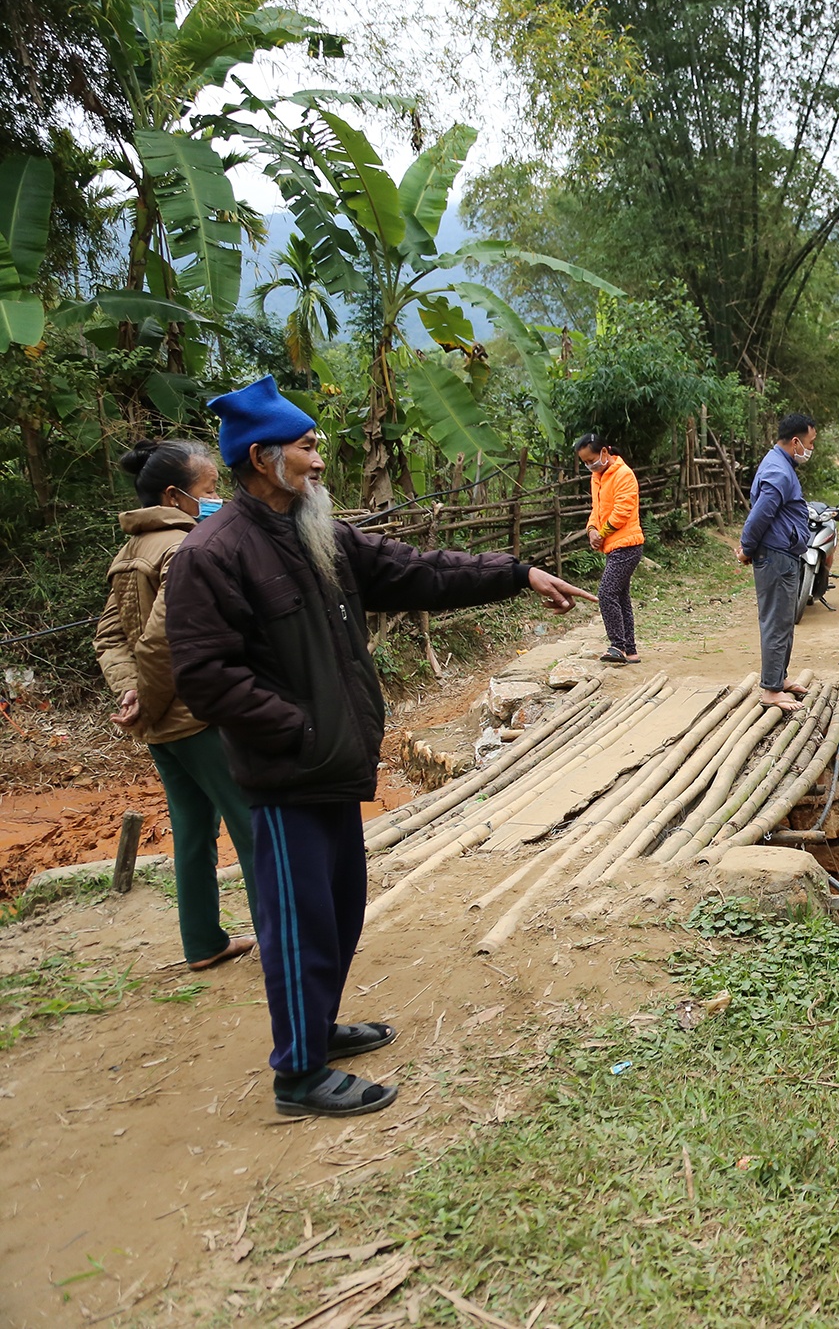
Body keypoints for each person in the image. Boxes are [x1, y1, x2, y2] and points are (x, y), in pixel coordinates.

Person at [165, 376, 595, 1119]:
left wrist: (515, 572)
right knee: (297, 921)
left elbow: (416, 569)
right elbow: (207, 678)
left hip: (333, 764)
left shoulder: (317, 535)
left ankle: (317, 1029)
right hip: (286, 772)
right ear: (264, 459)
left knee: (336, 907)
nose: (321, 459)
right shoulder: (214, 553)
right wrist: (297, 730)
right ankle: (297, 1076)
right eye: (307, 447)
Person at [95, 439, 259, 972]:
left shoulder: (128, 553)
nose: (217, 500)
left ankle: (203, 943)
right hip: (198, 715)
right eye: (210, 490)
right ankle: (283, 941)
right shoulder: (183, 548)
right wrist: (148, 697)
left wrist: (132, 693)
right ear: (174, 494)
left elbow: (109, 637)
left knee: (193, 832)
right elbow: (165, 640)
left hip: (162, 724)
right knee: (254, 825)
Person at [737, 415, 818, 714]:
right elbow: (760, 515)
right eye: (810, 443)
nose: (811, 449)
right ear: (795, 441)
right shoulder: (778, 471)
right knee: (776, 620)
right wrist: (747, 547)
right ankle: (770, 690)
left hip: (783, 553)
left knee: (784, 620)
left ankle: (778, 678)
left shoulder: (780, 465)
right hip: (775, 554)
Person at [577, 433, 644, 665]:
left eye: (591, 459)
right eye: (585, 462)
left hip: (628, 544)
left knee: (606, 594)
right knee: (621, 597)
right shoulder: (597, 477)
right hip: (612, 546)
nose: (589, 465)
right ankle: (630, 650)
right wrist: (591, 530)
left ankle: (617, 646)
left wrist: (601, 534)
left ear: (605, 452)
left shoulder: (624, 475)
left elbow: (622, 511)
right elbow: (596, 509)